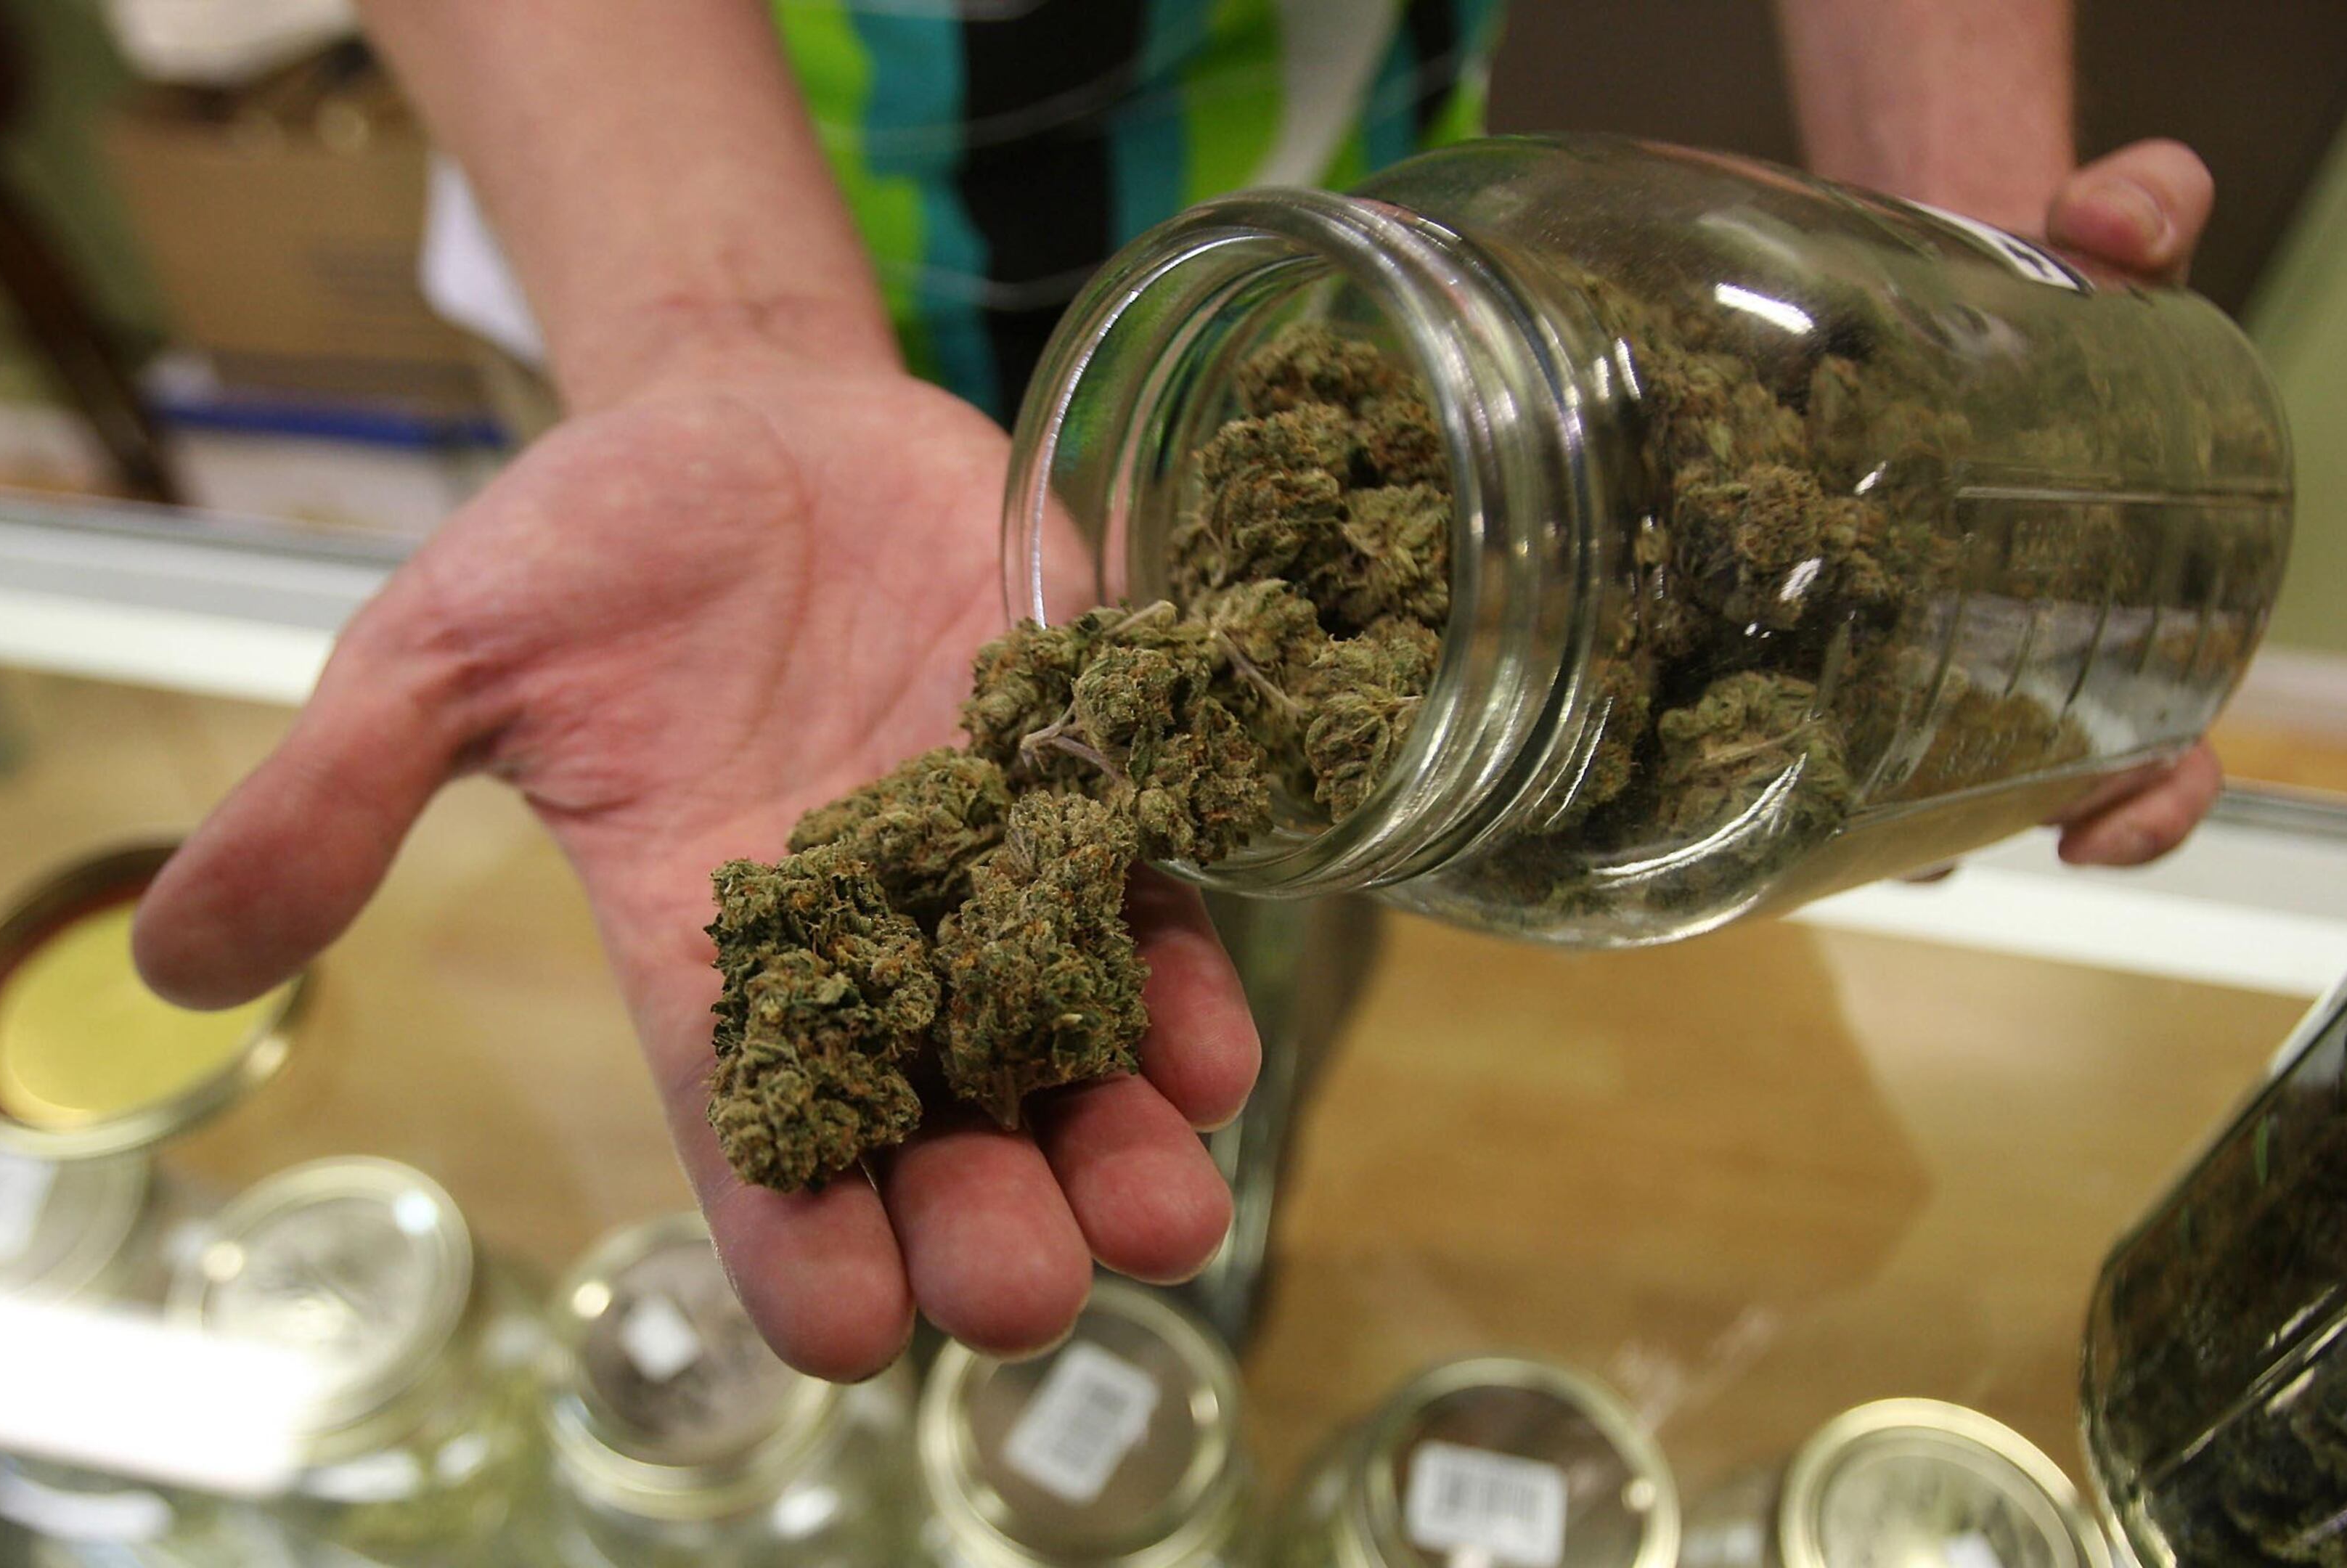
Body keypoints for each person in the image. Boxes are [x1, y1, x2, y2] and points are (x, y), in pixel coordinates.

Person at [131, 0, 2227, 1381]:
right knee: (1106, 1077)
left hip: (1366, 258)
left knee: (1284, 955)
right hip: (661, 226)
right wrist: (712, 335)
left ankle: (1216, 1264)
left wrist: (1967, 328)